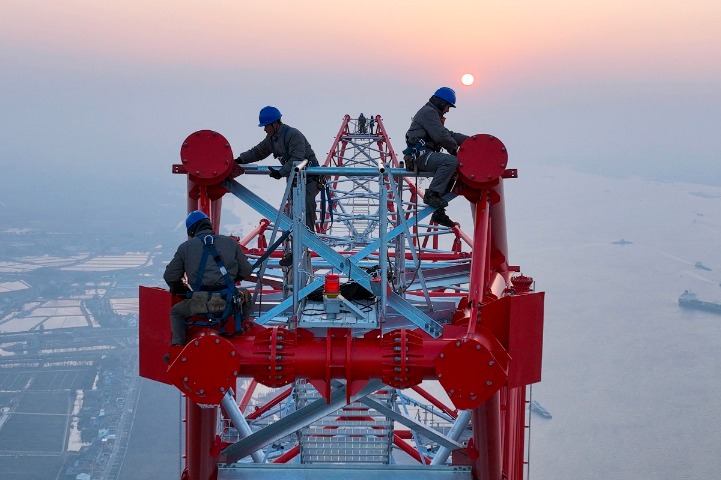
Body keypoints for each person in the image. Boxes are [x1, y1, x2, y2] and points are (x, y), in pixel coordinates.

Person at [164, 211, 253, 346]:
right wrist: (231, 280)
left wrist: (181, 290)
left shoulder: (185, 248)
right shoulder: (230, 242)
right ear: (209, 225)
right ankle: (241, 333)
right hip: (228, 303)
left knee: (176, 312)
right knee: (246, 296)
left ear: (191, 230)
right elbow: (246, 271)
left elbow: (170, 276)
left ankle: (178, 346)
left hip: (201, 303)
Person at [234, 106, 321, 233]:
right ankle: (296, 239)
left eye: (266, 126)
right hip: (295, 178)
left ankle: (309, 238)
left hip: (309, 177)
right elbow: (258, 152)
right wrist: (240, 160)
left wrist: (280, 173)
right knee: (293, 209)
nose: (264, 129)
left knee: (307, 205)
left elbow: (298, 159)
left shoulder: (293, 135)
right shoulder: (272, 138)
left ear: (275, 123)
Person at [404, 87, 469, 228]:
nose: (447, 110)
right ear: (441, 103)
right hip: (420, 157)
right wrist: (454, 151)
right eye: (448, 107)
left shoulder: (431, 113)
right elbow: (441, 136)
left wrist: (471, 141)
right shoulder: (428, 113)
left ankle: (439, 212)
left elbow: (447, 134)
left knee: (453, 167)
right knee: (451, 161)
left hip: (424, 154)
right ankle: (432, 194)